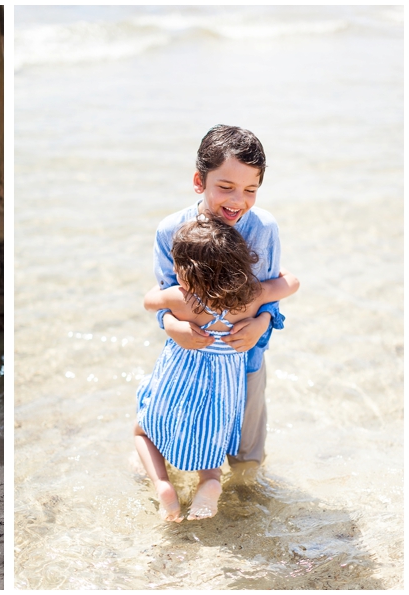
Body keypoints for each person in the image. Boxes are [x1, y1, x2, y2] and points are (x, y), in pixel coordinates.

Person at [134, 217, 299, 522]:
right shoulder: (251, 296)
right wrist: (269, 273)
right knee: (210, 435)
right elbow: (292, 283)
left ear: (184, 274)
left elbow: (148, 301)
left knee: (143, 431)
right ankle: (209, 481)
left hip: (181, 376)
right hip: (224, 384)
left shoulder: (181, 298)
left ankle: (163, 486)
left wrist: (172, 289)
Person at [149, 125, 283, 479]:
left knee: (247, 458)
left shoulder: (264, 228)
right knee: (176, 441)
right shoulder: (170, 230)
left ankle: (245, 514)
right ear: (199, 181)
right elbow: (165, 297)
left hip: (247, 355)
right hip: (189, 360)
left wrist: (262, 323)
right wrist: (171, 325)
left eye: (250, 190)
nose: (238, 200)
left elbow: (271, 291)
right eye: (226, 187)